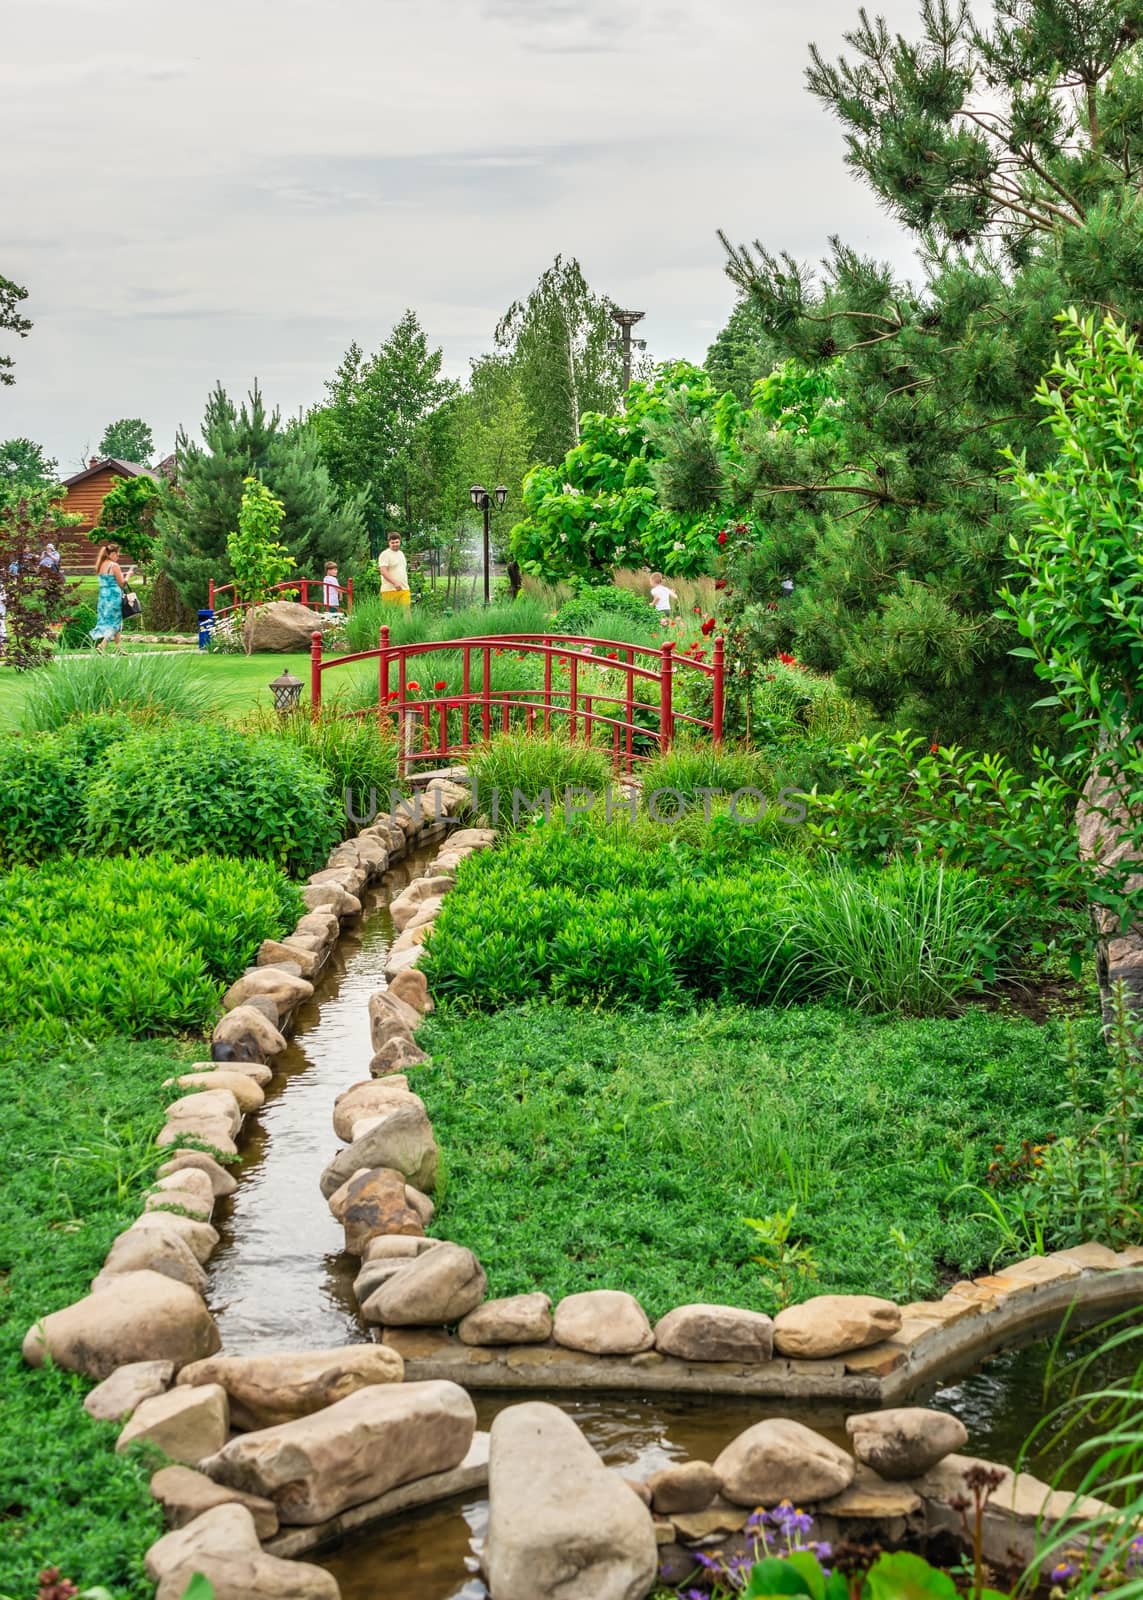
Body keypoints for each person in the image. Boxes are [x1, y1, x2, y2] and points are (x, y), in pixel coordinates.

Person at [90, 543, 128, 653]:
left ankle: (118, 648)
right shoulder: (114, 565)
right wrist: (128, 576)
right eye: (117, 553)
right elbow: (122, 583)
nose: (118, 556)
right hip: (114, 597)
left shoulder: (100, 565)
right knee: (115, 622)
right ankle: (102, 645)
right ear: (112, 554)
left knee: (109, 621)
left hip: (103, 597)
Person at [378, 531, 410, 607]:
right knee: (391, 614)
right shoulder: (385, 554)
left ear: (400, 542)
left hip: (404, 588)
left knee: (406, 613)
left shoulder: (401, 554)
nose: (395, 544)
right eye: (392, 543)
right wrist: (395, 582)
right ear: (389, 543)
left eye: (397, 542)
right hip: (389, 590)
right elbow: (383, 571)